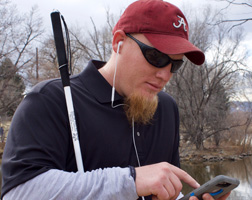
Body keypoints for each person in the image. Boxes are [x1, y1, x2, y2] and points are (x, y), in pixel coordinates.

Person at [1, 0, 232, 200]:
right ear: (118, 42)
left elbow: (164, 191)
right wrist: (130, 181)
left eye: (176, 64)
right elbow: (19, 193)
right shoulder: (51, 101)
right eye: (156, 57)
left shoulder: (167, 108)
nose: (165, 74)